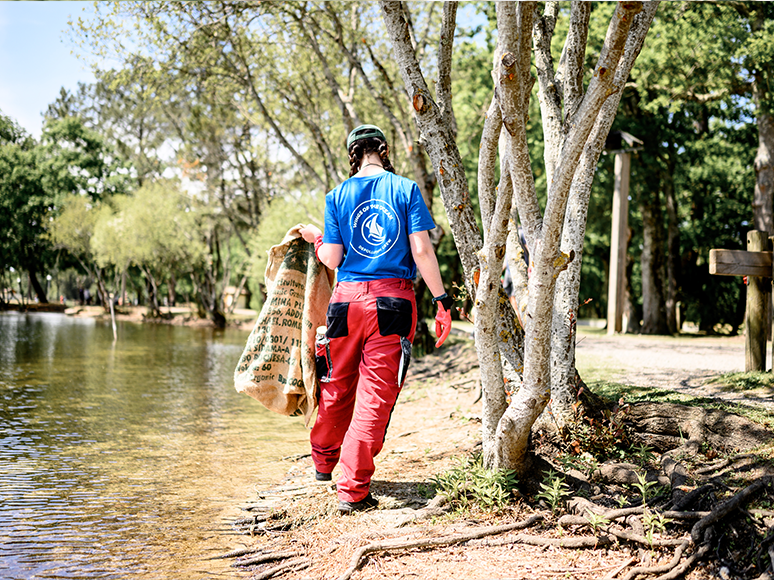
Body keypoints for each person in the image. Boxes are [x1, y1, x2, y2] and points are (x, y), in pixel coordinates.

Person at [299, 124, 453, 514]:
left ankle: (323, 463)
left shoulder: (337, 195)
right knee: (374, 398)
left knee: (336, 383)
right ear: (382, 150)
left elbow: (331, 259)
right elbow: (421, 249)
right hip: (392, 303)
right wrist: (442, 300)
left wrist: (318, 238)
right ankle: (352, 490)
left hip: (346, 302)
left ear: (353, 154)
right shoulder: (405, 190)